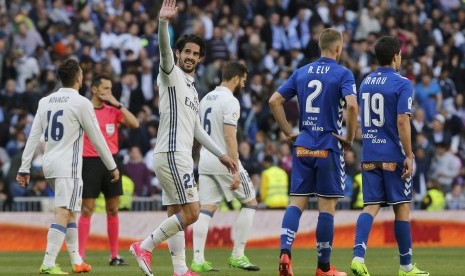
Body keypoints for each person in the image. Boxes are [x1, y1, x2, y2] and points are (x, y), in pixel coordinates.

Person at [129, 1, 237, 276]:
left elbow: (198, 129)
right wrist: (163, 22)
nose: (190, 56)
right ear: (178, 53)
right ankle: (144, 246)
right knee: (192, 213)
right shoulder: (171, 74)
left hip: (176, 154)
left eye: (195, 53)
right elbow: (163, 51)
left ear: (200, 59)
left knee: (175, 212)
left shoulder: (191, 87)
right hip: (173, 153)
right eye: (186, 51)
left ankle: (180, 269)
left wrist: (222, 154)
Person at [16, 58, 120, 274]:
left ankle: (76, 261)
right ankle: (48, 263)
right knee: (64, 211)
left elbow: (34, 136)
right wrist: (112, 166)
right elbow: (98, 138)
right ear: (79, 79)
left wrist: (24, 167)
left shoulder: (45, 102)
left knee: (71, 212)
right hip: (68, 167)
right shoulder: (81, 103)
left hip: (50, 165)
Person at [269, 28, 358, 276]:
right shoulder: (343, 73)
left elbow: (274, 101)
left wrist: (288, 132)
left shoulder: (302, 71)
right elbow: (352, 105)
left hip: (303, 145)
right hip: (328, 146)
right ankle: (323, 268)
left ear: (321, 46)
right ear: (338, 49)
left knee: (296, 203)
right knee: (326, 209)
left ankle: (285, 251)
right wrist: (349, 137)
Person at [349, 36, 429, 276]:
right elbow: (402, 120)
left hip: (370, 153)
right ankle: (405, 267)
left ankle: (357, 257)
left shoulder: (365, 82)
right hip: (393, 155)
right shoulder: (403, 83)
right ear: (396, 56)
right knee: (402, 208)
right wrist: (409, 154)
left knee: (370, 206)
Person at [190, 61, 260, 273]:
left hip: (206, 159)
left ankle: (198, 260)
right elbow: (230, 137)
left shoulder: (205, 99)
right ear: (237, 78)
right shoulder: (230, 101)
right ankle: (237, 256)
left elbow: (198, 133)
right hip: (225, 160)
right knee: (250, 203)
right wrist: (236, 169)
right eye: (244, 81)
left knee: (207, 208)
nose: (244, 85)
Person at [78, 74, 139, 265]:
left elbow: (134, 123)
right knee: (86, 210)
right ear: (94, 89)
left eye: (110, 89)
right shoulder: (83, 109)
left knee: (113, 209)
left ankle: (114, 256)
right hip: (90, 162)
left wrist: (117, 103)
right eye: (105, 88)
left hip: (112, 162)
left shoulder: (113, 111)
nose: (108, 92)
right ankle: (80, 256)